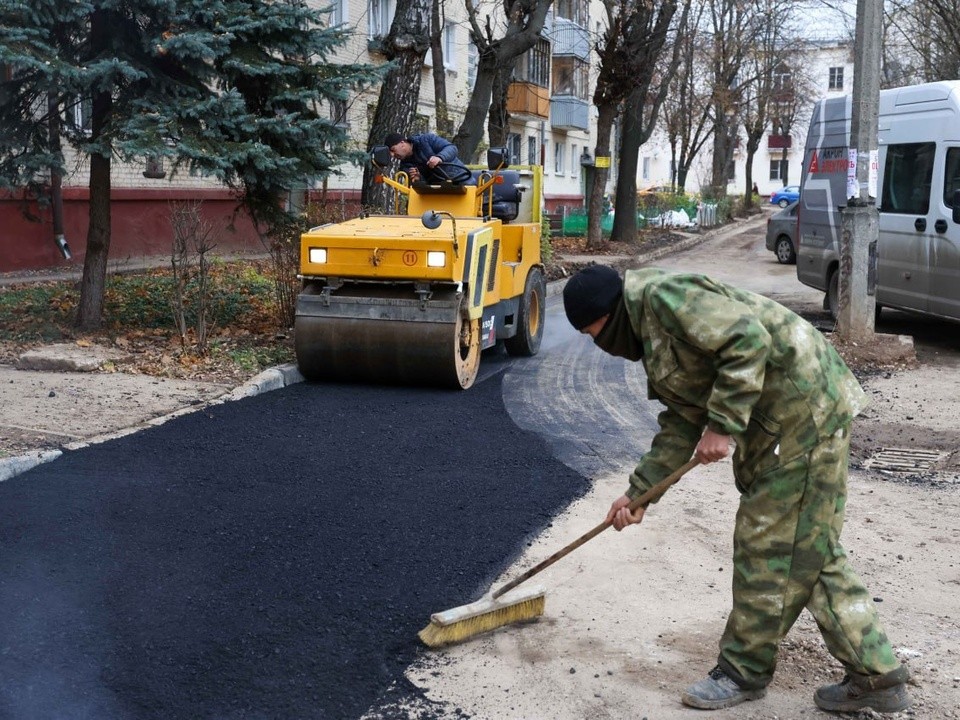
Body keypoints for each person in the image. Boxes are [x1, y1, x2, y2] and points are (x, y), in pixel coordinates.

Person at [562, 264, 912, 715]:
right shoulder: (648, 327)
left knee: (766, 546)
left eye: (594, 334)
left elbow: (747, 339)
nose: (600, 346)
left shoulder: (666, 298)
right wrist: (640, 493)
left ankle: (742, 671)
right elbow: (683, 416)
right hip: (782, 421)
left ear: (609, 315)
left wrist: (723, 424)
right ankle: (877, 674)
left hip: (802, 414)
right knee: (805, 548)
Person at [383, 132, 472, 185]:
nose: (392, 155)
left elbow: (451, 148)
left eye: (393, 150)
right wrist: (418, 180)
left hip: (461, 179)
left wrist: (439, 157)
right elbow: (420, 187)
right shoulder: (405, 166)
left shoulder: (427, 140)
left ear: (402, 143)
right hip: (435, 191)